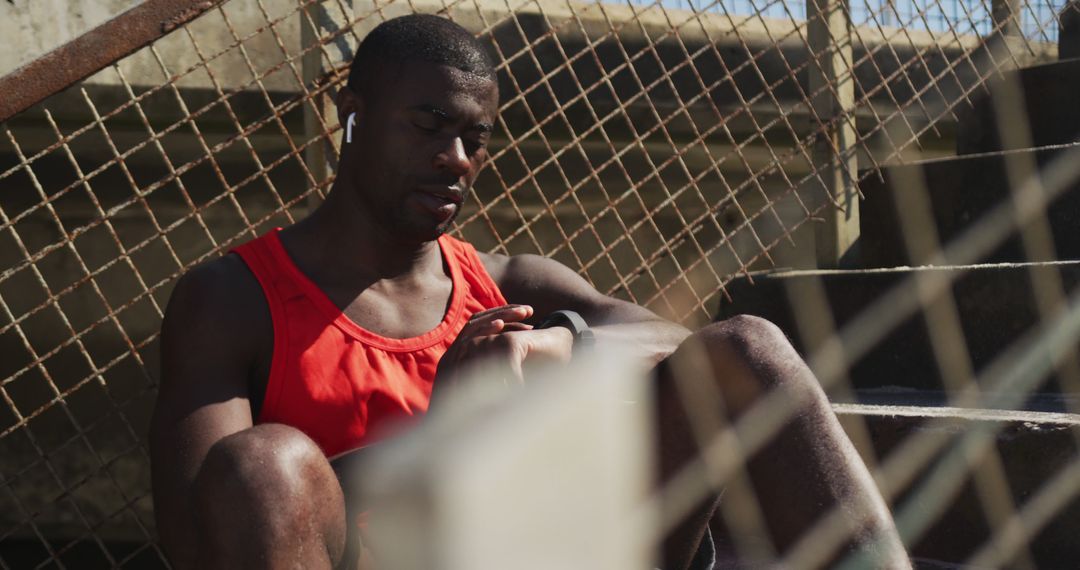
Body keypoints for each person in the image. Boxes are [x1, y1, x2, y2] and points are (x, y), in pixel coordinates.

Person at [149, 14, 909, 570]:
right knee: (266, 463)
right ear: (353, 117)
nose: (455, 158)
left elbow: (678, 342)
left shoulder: (511, 285)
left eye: (475, 140)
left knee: (747, 349)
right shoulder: (232, 299)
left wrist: (556, 341)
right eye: (429, 124)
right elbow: (204, 532)